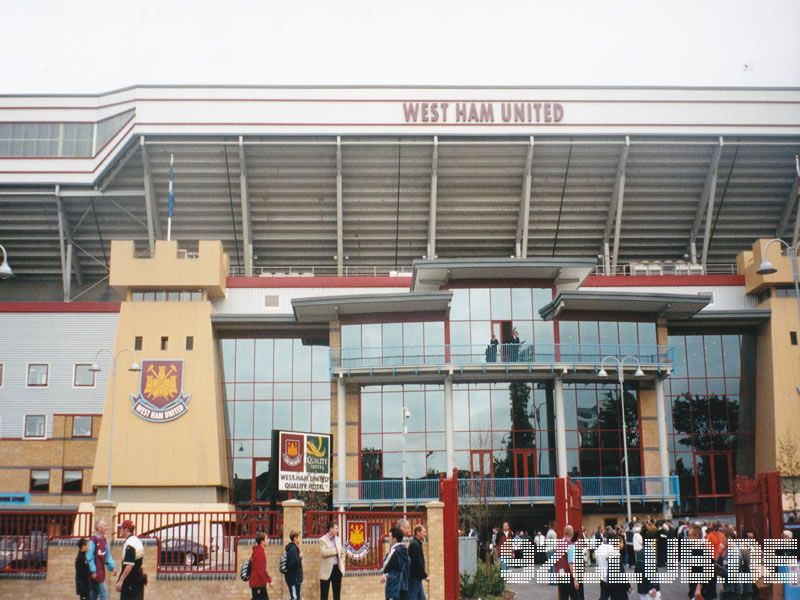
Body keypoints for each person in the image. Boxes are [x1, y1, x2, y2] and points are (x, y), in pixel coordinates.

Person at [115, 519, 145, 600]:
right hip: (137, 580)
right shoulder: (136, 541)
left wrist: (121, 581)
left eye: (121, 528)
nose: (120, 530)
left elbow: (129, 565)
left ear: (126, 529)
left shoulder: (130, 544)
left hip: (130, 582)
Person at [87, 519, 116, 600]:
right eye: (105, 526)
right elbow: (89, 557)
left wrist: (112, 567)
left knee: (94, 593)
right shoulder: (93, 540)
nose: (107, 528)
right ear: (99, 528)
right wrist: (92, 571)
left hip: (101, 572)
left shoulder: (104, 540)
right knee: (104, 594)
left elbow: (107, 556)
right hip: (95, 572)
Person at [686, 524, 717, 600]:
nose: (688, 538)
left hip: (704, 591)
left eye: (691, 536)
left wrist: (698, 588)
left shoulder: (701, 550)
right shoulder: (693, 550)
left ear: (697, 537)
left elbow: (707, 570)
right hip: (697, 590)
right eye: (688, 535)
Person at [383, 526, 411, 600]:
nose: (388, 539)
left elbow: (385, 567)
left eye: (389, 537)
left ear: (394, 539)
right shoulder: (405, 551)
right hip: (404, 587)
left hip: (394, 587)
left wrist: (386, 556)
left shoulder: (394, 551)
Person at [319, 522, 345, 600]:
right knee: (324, 595)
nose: (337, 530)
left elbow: (342, 552)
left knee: (337, 594)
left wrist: (342, 562)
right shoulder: (322, 540)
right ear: (331, 529)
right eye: (336, 528)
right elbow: (324, 553)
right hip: (326, 570)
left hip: (337, 569)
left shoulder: (338, 539)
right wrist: (336, 550)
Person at [553, 525, 580, 600]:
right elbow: (571, 562)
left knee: (563, 597)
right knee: (575, 597)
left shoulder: (558, 544)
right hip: (569, 575)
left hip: (561, 574)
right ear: (571, 533)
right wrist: (575, 579)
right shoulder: (570, 545)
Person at [408, 525, 428, 600]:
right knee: (413, 597)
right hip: (414, 578)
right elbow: (417, 562)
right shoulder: (414, 544)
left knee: (422, 598)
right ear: (418, 533)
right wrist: (425, 575)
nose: (425, 534)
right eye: (423, 532)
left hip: (417, 578)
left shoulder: (417, 544)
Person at [284, 530, 303, 600]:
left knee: (295, 597)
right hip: (293, 579)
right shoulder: (293, 549)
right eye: (299, 537)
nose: (300, 539)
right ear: (295, 538)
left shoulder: (293, 548)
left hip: (294, 579)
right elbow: (293, 564)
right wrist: (300, 557)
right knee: (295, 597)